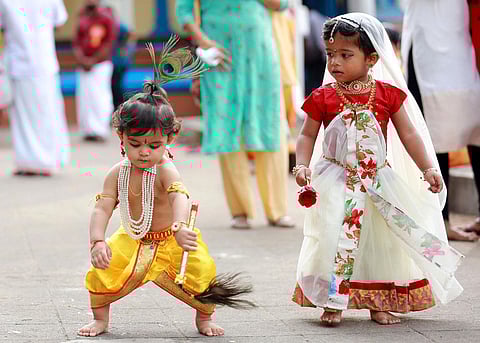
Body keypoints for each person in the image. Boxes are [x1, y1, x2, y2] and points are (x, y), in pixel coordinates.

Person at [292, 13, 464, 326]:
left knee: (380, 243)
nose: (335, 63)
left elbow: (409, 134)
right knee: (333, 238)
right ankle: (333, 301)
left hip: (378, 182)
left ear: (371, 58)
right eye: (331, 55)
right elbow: (307, 134)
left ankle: (379, 301)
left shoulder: (387, 94)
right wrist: (301, 164)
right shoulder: (323, 97)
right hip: (336, 182)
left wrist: (428, 168)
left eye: (346, 55)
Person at [77, 38, 253, 338]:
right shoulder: (117, 173)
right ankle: (101, 320)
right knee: (102, 271)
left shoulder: (165, 168)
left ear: (170, 139)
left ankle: (204, 318)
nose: (145, 152)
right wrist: (97, 241)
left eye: (154, 145)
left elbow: (179, 196)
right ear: (121, 136)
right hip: (132, 237)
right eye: (136, 144)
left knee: (200, 271)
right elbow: (103, 206)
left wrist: (180, 226)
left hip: (172, 237)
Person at [176, 0, 295, 229]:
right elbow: (184, 12)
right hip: (220, 58)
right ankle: (240, 211)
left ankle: (277, 211)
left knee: (270, 127)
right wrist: (203, 41)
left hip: (260, 56)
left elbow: (281, 5)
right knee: (227, 127)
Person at [402, 0, 480, 240]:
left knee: (475, 131)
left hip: (457, 41)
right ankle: (441, 219)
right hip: (430, 46)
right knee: (433, 136)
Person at [0, 0, 70, 176]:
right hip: (43, 60)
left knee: (24, 115)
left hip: (20, 61)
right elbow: (59, 23)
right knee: (46, 112)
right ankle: (43, 160)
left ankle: (29, 162)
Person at [73, 0, 117, 142]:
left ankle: (100, 130)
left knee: (99, 98)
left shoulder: (106, 17)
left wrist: (93, 60)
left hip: (100, 64)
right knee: (85, 98)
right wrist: (82, 59)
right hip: (84, 65)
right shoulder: (82, 17)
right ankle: (88, 130)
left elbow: (109, 42)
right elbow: (76, 42)